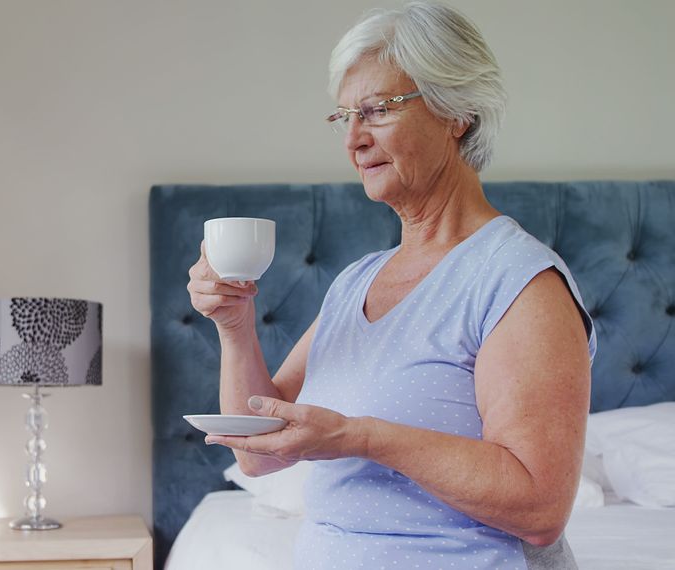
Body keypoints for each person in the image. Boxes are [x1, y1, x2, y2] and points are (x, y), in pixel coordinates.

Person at [187, 2, 596, 568]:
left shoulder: (519, 282)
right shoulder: (357, 281)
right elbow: (258, 456)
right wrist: (233, 326)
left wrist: (361, 437)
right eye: (343, 117)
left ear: (459, 113)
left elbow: (539, 506)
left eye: (377, 111)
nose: (352, 140)